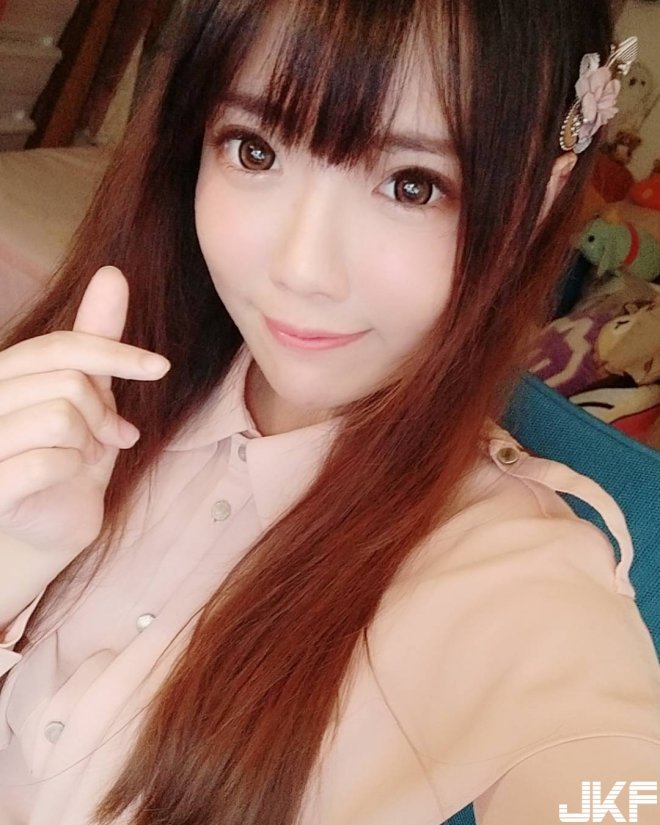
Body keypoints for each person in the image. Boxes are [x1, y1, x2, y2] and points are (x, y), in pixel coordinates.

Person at [0, 1, 658, 823]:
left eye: (412, 185)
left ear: (538, 199)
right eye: (255, 149)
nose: (301, 269)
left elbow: (614, 790)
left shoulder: (517, 581)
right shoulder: (93, 385)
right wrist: (17, 557)